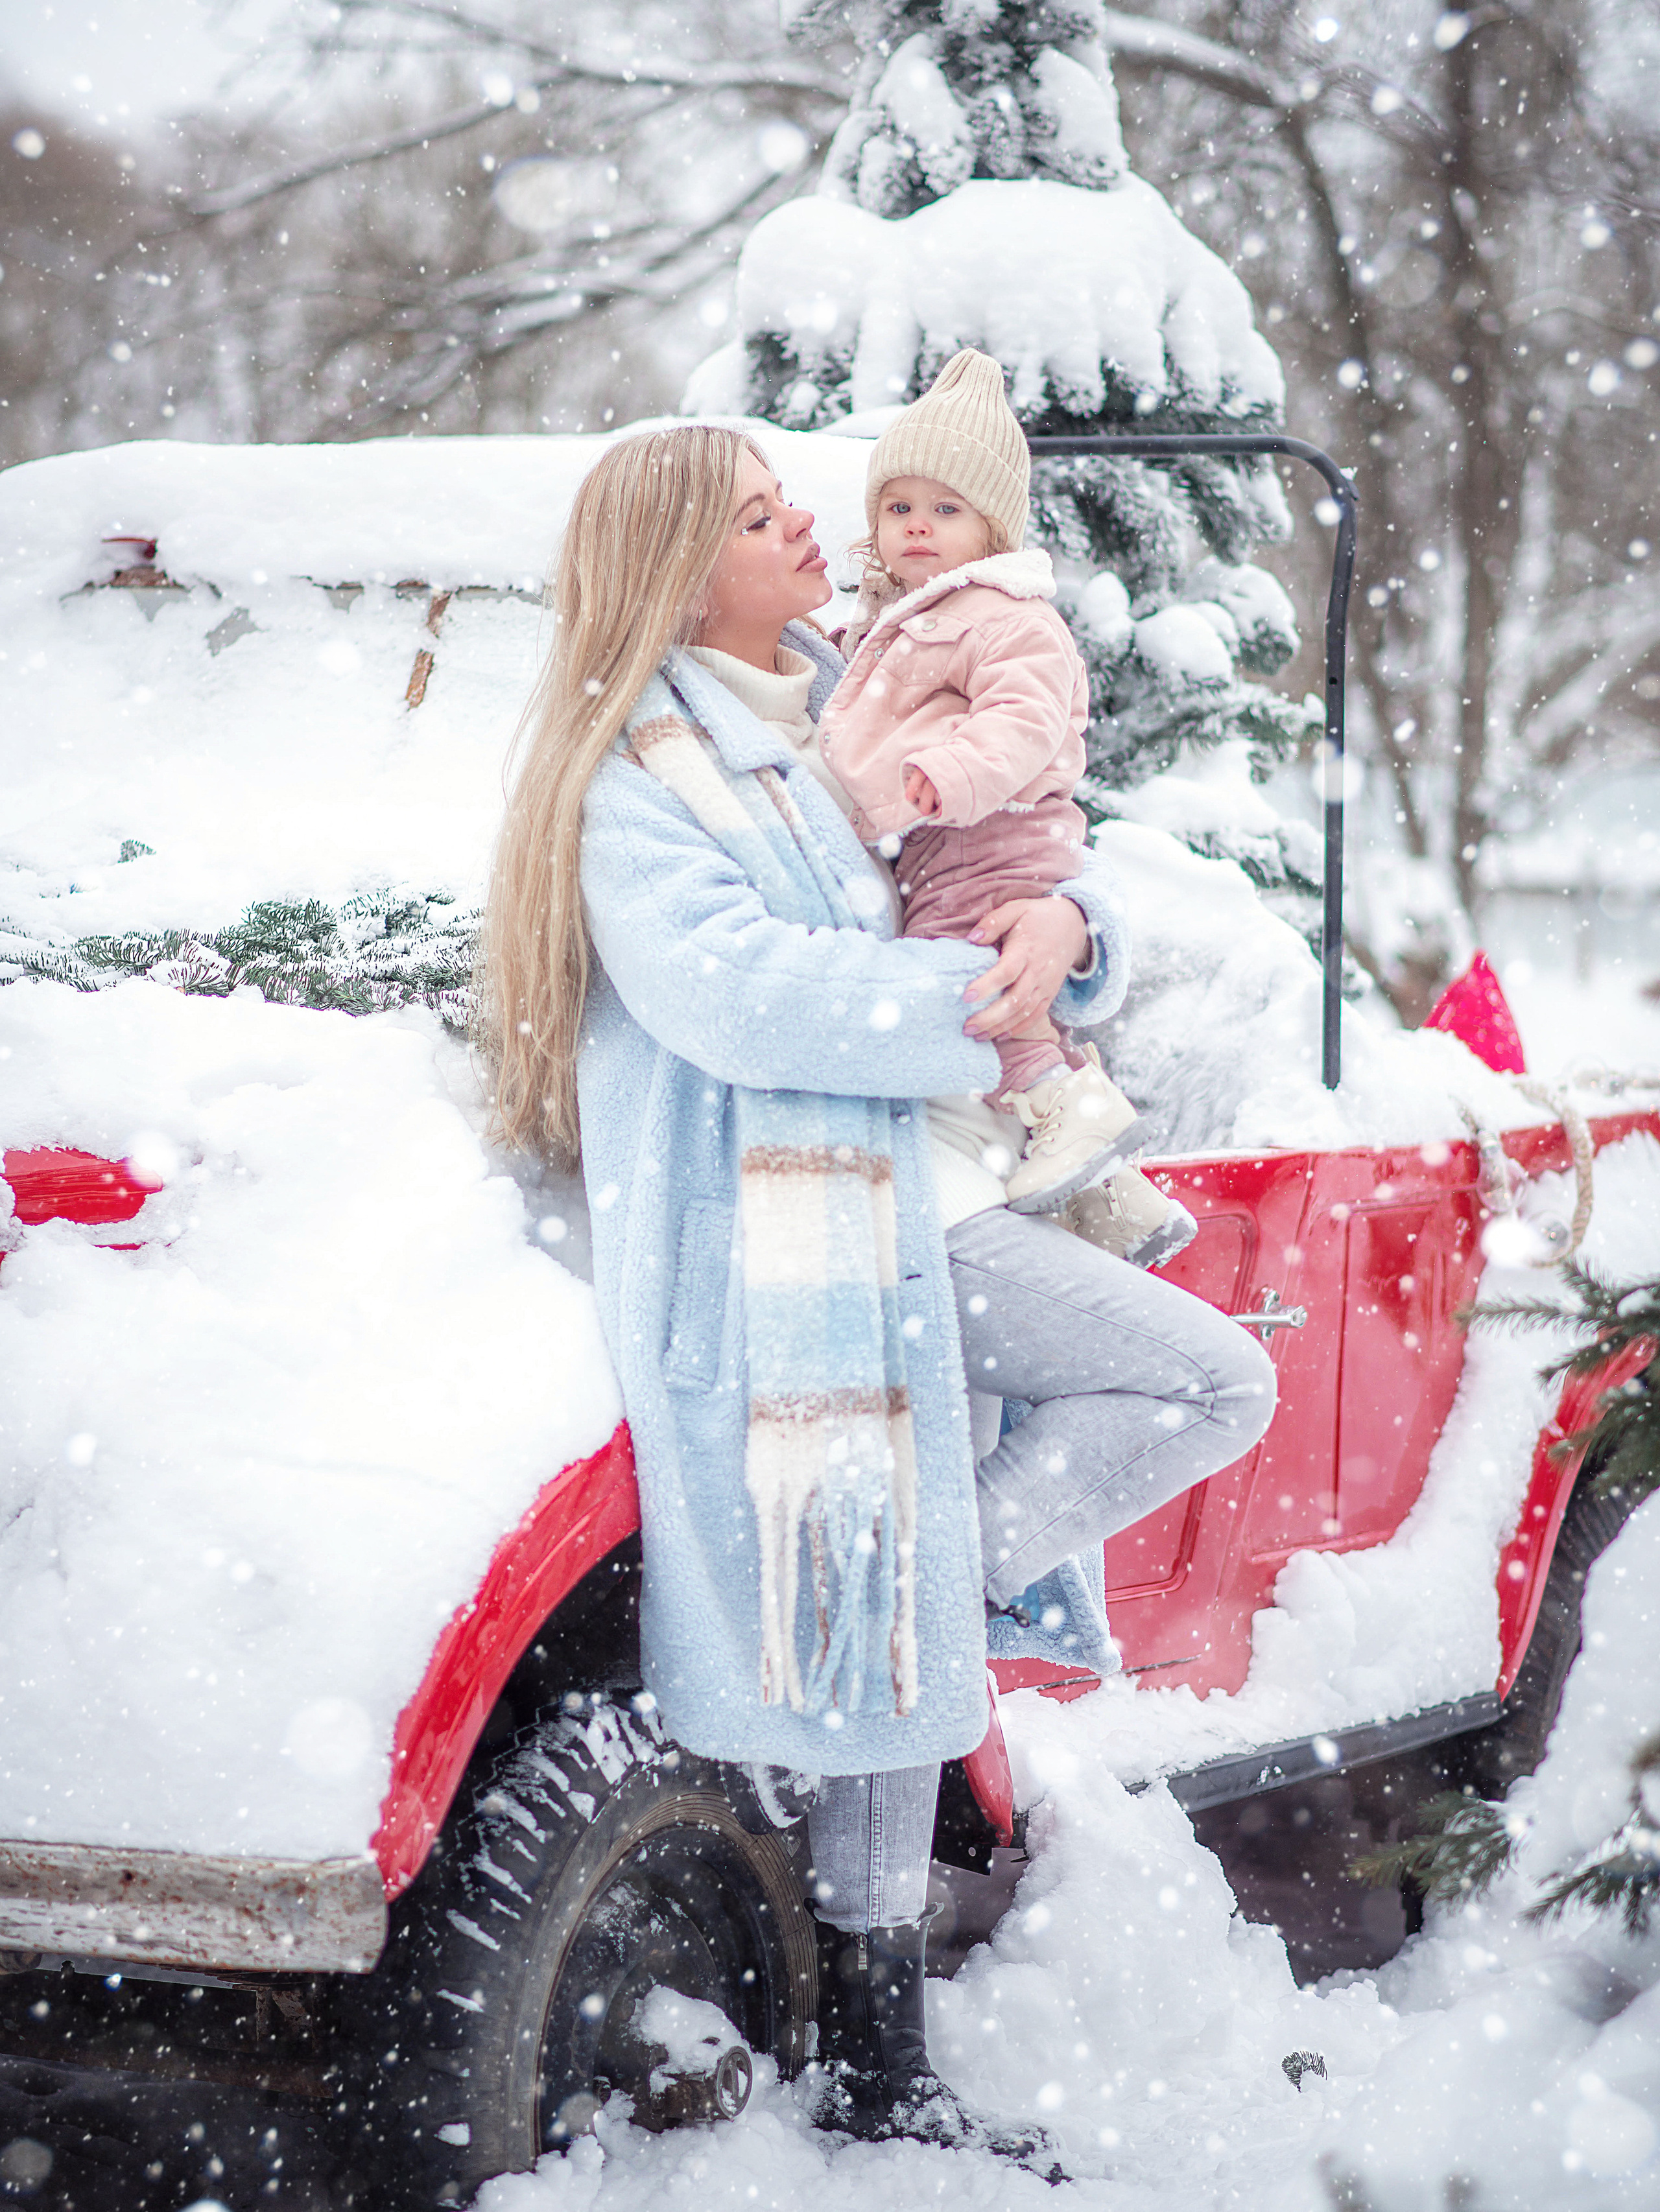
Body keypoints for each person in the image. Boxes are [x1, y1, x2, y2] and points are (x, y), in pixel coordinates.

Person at [480, 424, 1276, 2163]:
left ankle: (893, 1996)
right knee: (1151, 1422)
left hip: (927, 1190)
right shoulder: (638, 776)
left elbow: (1018, 849)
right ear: (690, 567)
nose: (815, 534)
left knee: (1153, 1422)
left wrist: (1075, 938)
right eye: (768, 521)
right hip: (788, 1232)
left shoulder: (856, 689)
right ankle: (882, 2056)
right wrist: (968, 1004)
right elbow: (738, 993)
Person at [822, 348, 1190, 1264]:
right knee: (984, 986)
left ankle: (1071, 1108)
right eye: (899, 508)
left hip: (996, 834)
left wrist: (956, 774)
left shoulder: (1009, 614)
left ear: (991, 531)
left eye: (947, 511)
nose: (918, 527)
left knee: (973, 988)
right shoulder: (903, 614)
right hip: (954, 840)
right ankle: (1109, 1195)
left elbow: (1025, 721)